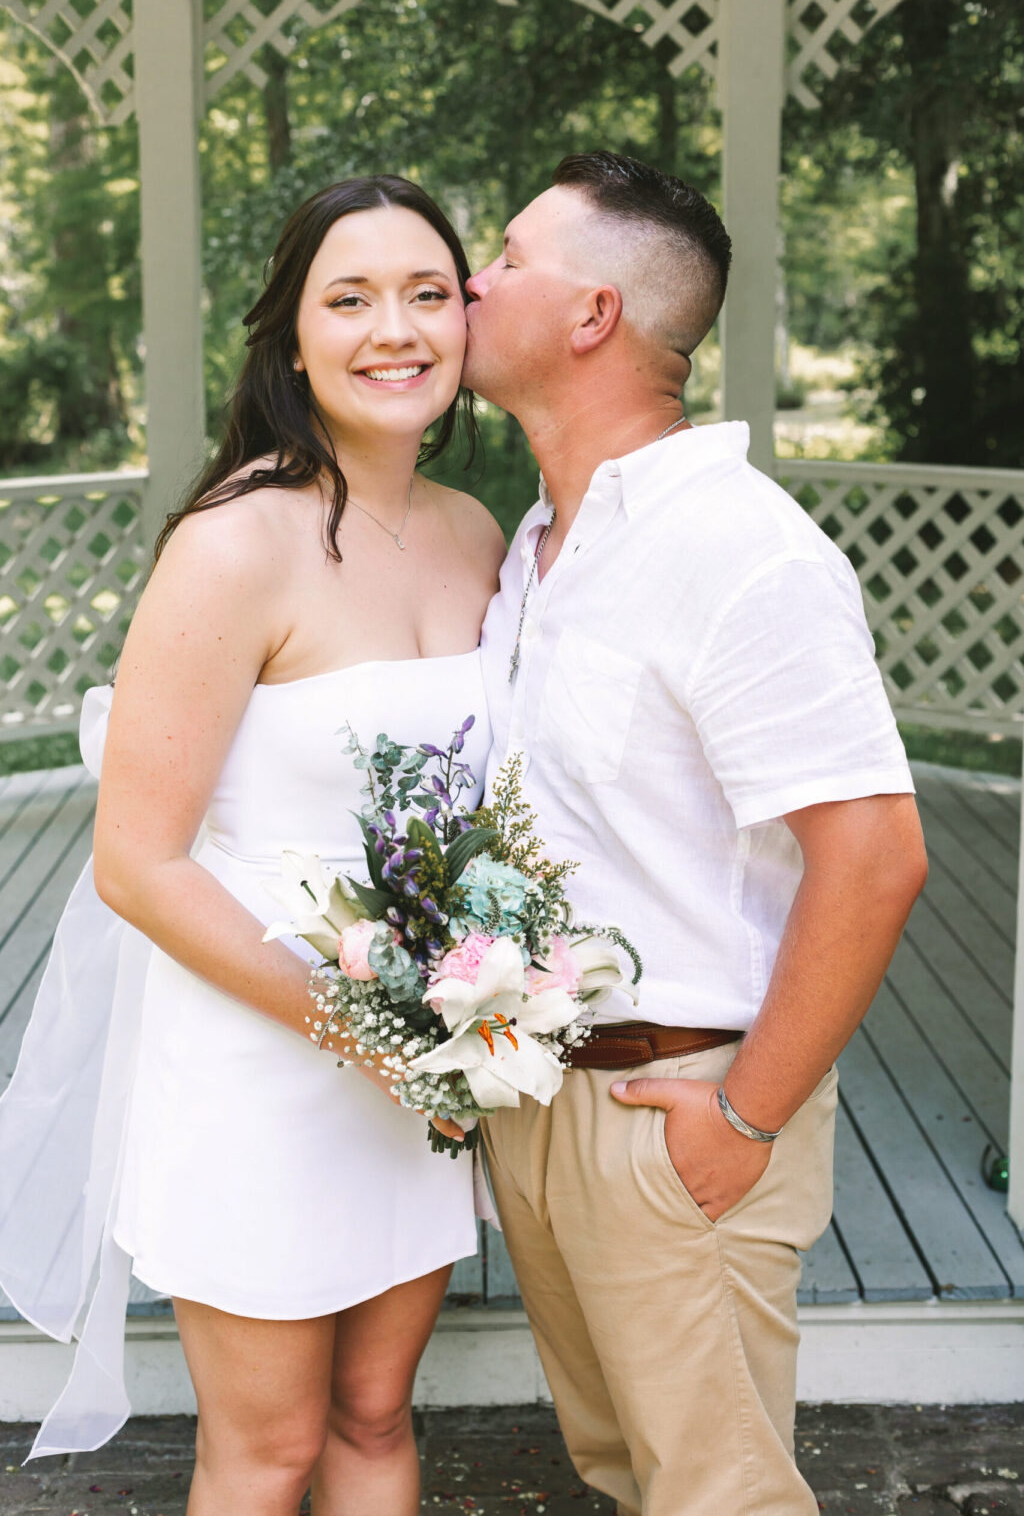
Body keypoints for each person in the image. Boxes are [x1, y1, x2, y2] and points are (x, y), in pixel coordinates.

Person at [0, 175, 505, 1515]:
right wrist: (364, 1028)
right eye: (349, 299)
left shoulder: (476, 536)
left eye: (427, 293)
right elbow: (137, 863)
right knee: (268, 1450)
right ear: (292, 341)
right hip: (259, 1057)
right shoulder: (236, 543)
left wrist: (471, 1011)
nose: (393, 327)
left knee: (376, 1415)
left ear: (469, 322)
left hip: (422, 1061)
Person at [467, 150, 928, 1516]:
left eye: (506, 255)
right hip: (548, 1099)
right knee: (624, 1473)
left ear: (594, 313)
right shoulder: (538, 544)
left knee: (718, 1495)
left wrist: (743, 1117)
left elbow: (879, 854)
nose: (470, 280)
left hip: (688, 1103)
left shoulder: (743, 552)